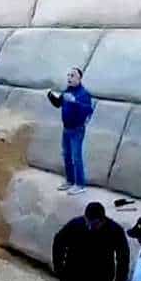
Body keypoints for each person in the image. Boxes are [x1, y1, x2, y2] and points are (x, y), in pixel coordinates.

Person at [52, 202, 130, 281]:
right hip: (73, 277)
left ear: (102, 220)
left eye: (94, 224)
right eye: (87, 222)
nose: (89, 227)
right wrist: (59, 268)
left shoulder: (115, 231)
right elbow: (58, 242)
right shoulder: (75, 225)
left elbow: (123, 257)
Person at [48, 67, 94, 196]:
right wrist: (50, 95)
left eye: (72, 75)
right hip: (66, 128)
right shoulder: (66, 91)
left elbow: (88, 110)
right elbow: (58, 104)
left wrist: (74, 102)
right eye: (68, 75)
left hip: (77, 130)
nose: (69, 77)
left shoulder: (83, 94)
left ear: (79, 79)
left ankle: (80, 184)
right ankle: (69, 181)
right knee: (66, 155)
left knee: (76, 157)